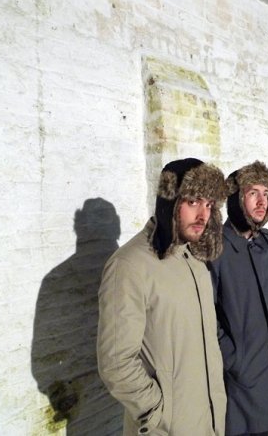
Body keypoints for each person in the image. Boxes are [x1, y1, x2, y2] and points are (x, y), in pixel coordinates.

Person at [97, 158, 228, 436]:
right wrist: (156, 412)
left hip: (209, 422)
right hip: (166, 428)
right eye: (193, 201)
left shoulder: (195, 260)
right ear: (170, 201)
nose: (203, 215)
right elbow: (116, 362)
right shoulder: (130, 265)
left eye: (209, 204)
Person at [210, 161, 268, 436]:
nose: (262, 201)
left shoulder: (266, 243)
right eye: (252, 193)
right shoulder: (216, 248)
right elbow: (206, 314)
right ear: (236, 199)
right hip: (241, 377)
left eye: (266, 193)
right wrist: (233, 357)